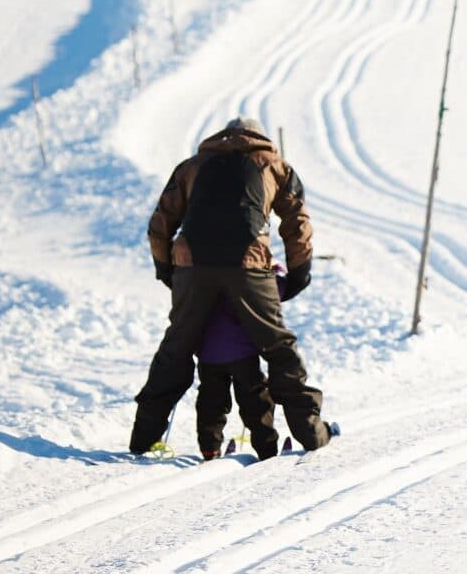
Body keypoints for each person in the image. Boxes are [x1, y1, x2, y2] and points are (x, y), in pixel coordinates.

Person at [131, 115, 330, 458]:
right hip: (249, 264)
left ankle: (143, 439)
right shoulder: (273, 164)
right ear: (259, 137)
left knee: (176, 350)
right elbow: (297, 221)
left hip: (191, 265)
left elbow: (160, 223)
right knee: (277, 347)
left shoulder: (192, 166)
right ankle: (311, 433)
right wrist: (299, 271)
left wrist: (167, 269)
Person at [192, 271, 289, 462]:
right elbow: (278, 288)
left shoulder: (202, 268)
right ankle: (266, 449)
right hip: (242, 350)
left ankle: (209, 448)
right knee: (255, 399)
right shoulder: (247, 269)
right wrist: (277, 270)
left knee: (211, 399)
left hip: (209, 350)